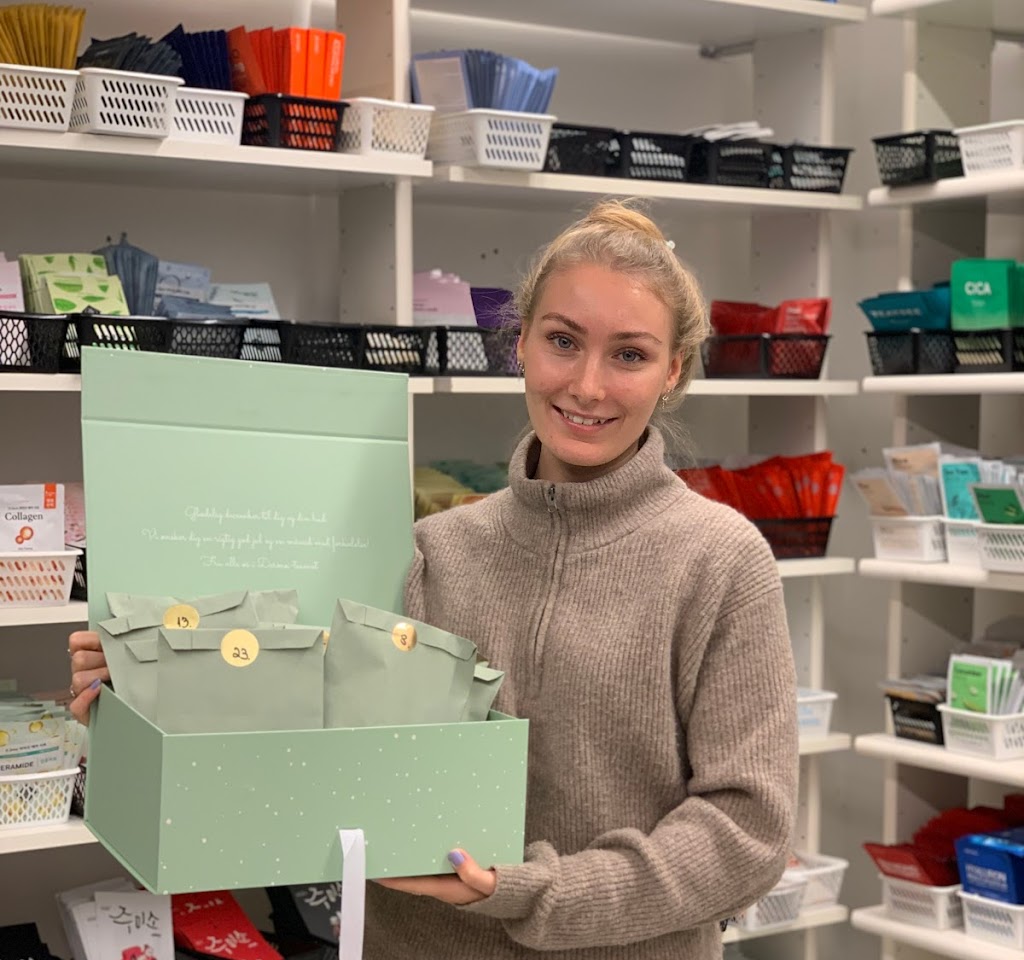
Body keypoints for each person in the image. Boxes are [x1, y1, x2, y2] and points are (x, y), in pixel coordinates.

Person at [69, 200, 798, 960]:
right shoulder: (430, 551)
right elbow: (303, 745)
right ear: (521, 342)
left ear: (673, 370)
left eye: (630, 355)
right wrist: (152, 688)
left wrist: (530, 890)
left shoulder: (721, 562)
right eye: (562, 341)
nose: (588, 385)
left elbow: (748, 832)